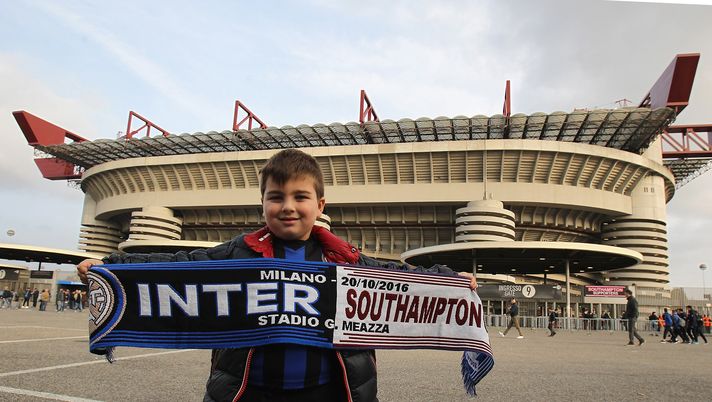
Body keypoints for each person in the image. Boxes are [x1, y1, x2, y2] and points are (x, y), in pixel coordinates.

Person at [76, 148, 477, 402]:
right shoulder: (238, 253)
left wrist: (448, 279)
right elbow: (182, 265)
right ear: (262, 203)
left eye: (300, 197)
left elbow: (393, 275)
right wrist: (114, 268)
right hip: (249, 390)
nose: (288, 206)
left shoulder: (345, 259)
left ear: (319, 204)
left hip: (330, 391)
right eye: (276, 197)